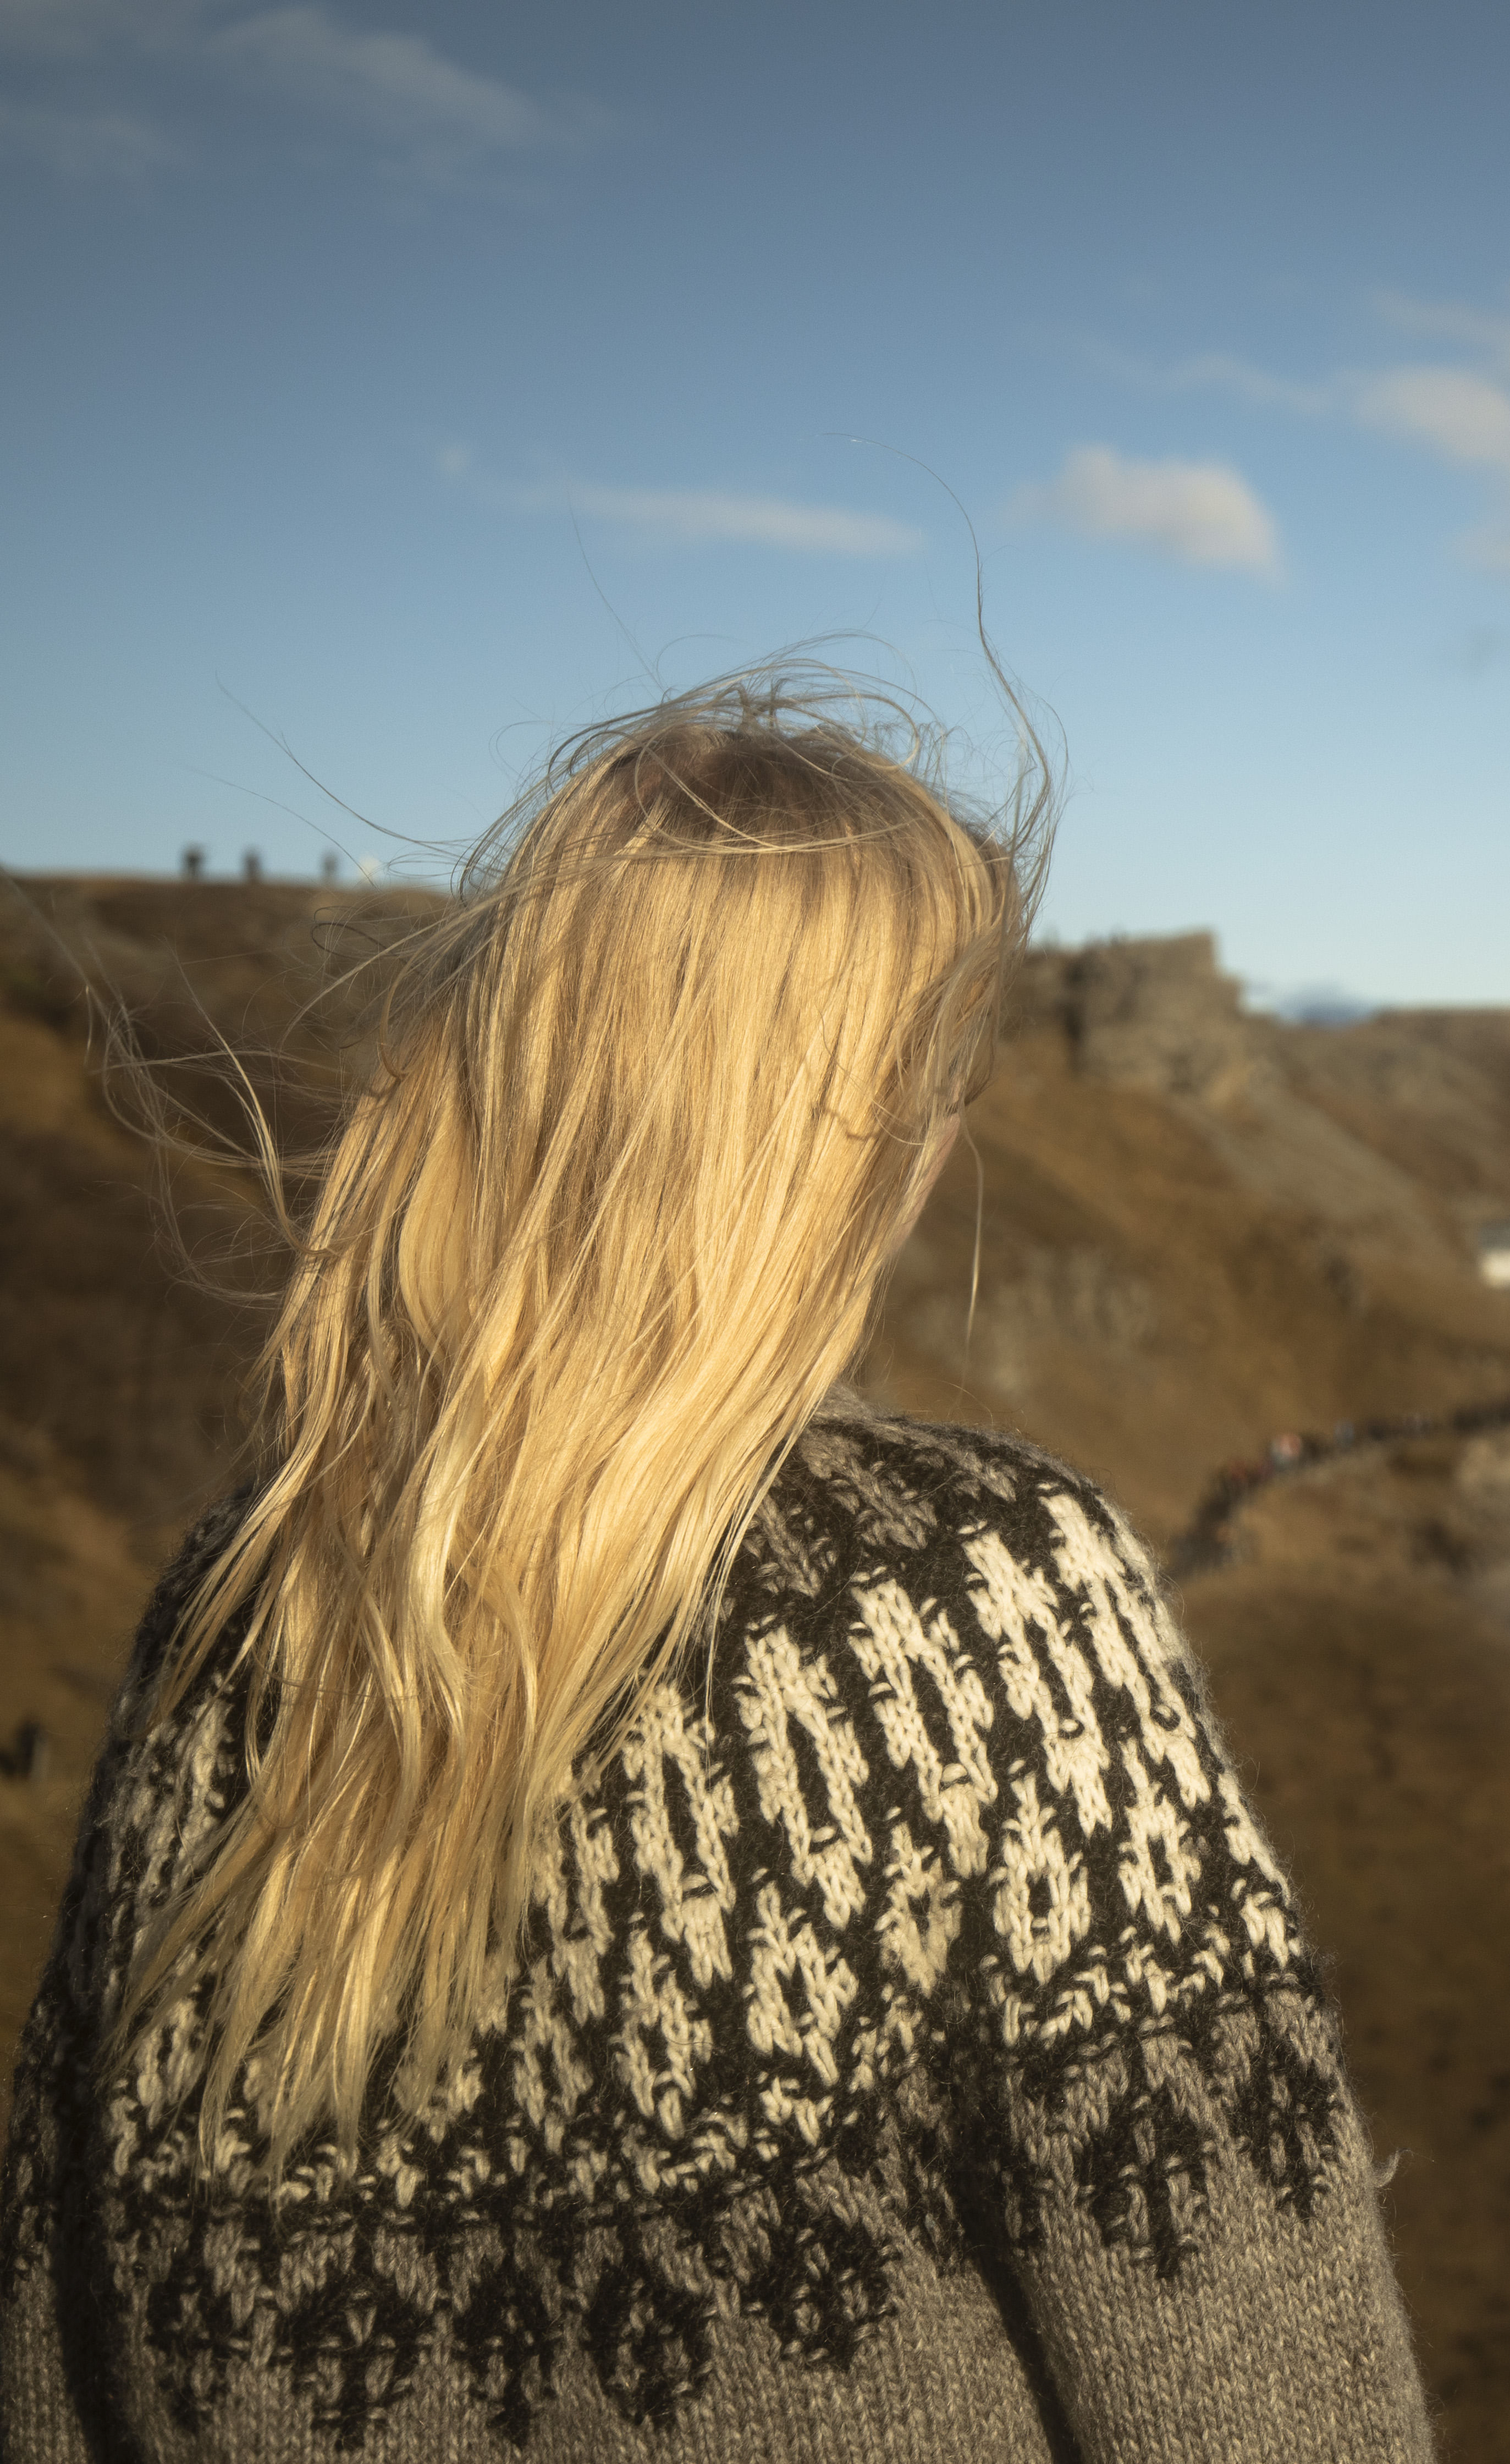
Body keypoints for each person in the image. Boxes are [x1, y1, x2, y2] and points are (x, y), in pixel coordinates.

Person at [0, 675, 1435, 2459]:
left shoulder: (240, 1609)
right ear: (813, 1127)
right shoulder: (985, 1602)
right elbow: (1269, 2400)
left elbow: (56, 2373)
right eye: (925, 1074)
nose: (947, 1136)